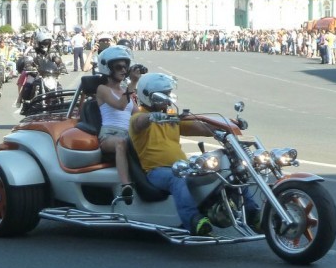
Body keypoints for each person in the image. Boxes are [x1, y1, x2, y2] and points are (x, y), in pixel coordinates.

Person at [129, 73, 259, 236]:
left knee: (228, 169)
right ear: (150, 96)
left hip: (183, 166)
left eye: (169, 93)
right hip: (156, 171)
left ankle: (254, 213)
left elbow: (198, 126)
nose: (168, 98)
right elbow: (140, 123)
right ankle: (194, 220)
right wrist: (151, 117)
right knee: (176, 178)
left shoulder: (170, 116)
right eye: (165, 94)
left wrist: (225, 127)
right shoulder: (137, 117)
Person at [95, 45, 137, 204]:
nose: (123, 70)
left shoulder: (126, 90)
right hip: (110, 135)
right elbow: (120, 105)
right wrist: (133, 83)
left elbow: (137, 113)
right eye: (118, 67)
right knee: (121, 143)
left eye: (125, 67)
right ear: (107, 69)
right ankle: (126, 185)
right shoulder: (102, 89)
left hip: (129, 134)